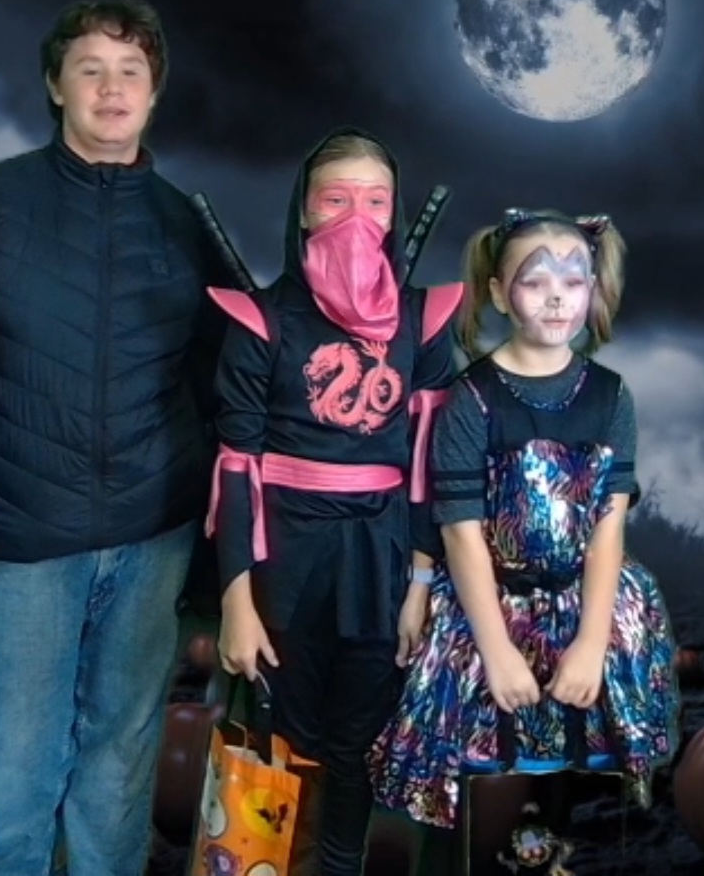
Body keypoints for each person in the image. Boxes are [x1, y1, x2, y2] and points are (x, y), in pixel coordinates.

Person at [0, 0, 229, 876]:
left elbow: (226, 374)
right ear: (55, 85)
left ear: (153, 91)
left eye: (130, 72)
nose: (111, 90)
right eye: (90, 70)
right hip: (24, 532)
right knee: (19, 762)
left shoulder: (183, 222)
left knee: (121, 758)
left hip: (152, 535)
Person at [367, 207, 680, 855]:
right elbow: (460, 533)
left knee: (577, 768)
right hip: (489, 605)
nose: (556, 297)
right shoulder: (472, 397)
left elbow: (608, 528)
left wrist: (591, 642)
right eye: (535, 282)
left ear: (593, 289)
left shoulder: (610, 397)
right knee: (491, 769)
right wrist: (498, 650)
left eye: (573, 281)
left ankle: (560, 848)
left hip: (585, 602)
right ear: (500, 294)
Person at [205, 127, 463, 876]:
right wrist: (236, 601)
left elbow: (429, 464)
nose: (356, 217)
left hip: (382, 559)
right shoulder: (262, 320)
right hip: (283, 560)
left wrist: (420, 582)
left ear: (395, 213)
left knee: (354, 744)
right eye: (336, 199)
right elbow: (236, 467)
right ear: (305, 211)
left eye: (375, 202)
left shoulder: (423, 320)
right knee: (285, 741)